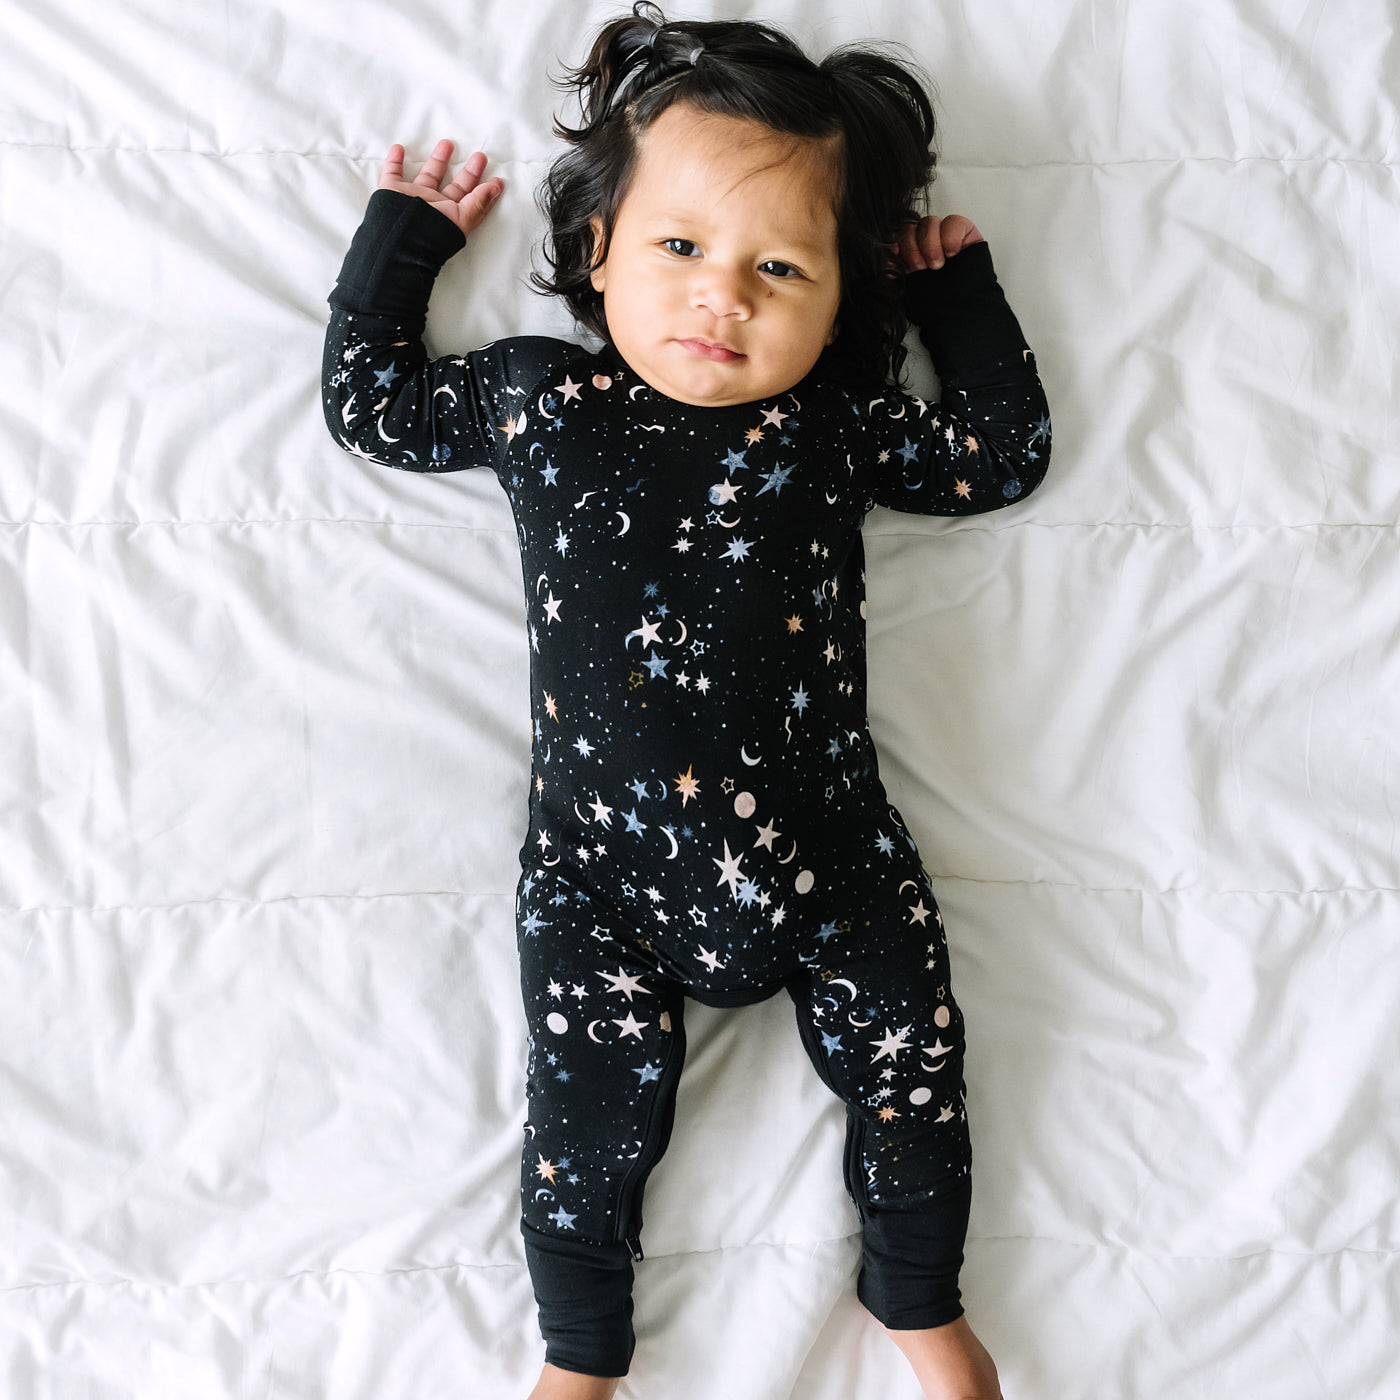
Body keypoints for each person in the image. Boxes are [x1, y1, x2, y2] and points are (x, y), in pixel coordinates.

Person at [321, 6, 1050, 1397]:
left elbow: (996, 456)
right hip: (601, 875)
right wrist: (404, 242)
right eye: (680, 248)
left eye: (781, 266)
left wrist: (955, 299)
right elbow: (375, 405)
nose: (725, 297)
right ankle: (582, 1352)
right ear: (597, 249)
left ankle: (919, 1303)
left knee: (916, 1067)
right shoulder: (540, 399)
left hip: (835, 856)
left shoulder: (833, 422)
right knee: (583, 1128)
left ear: (840, 299)